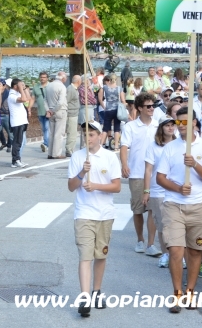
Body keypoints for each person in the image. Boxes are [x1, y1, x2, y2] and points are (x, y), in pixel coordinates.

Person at [156, 107, 202, 313]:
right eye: (178, 122)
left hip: (200, 204)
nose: (181, 126)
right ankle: (177, 294)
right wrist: (178, 188)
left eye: (185, 122)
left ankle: (190, 292)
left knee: (195, 250)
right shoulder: (170, 148)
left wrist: (195, 164)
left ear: (193, 123)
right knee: (175, 250)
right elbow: (160, 178)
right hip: (174, 204)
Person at [68, 120, 122, 318]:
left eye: (91, 134)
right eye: (85, 134)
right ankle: (84, 297)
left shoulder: (109, 157)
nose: (87, 138)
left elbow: (117, 186)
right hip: (84, 214)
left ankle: (96, 291)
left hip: (105, 214)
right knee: (85, 255)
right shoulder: (77, 157)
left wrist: (96, 186)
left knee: (101, 255)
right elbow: (71, 186)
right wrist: (82, 172)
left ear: (100, 136)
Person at [120, 92, 158, 255]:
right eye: (148, 106)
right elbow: (124, 146)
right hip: (136, 173)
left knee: (152, 209)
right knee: (138, 209)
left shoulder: (158, 125)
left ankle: (150, 244)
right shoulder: (130, 127)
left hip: (155, 174)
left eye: (153, 106)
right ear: (140, 108)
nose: (151, 109)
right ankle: (140, 240)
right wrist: (124, 164)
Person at [143, 116, 176, 268]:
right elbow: (148, 170)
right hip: (158, 191)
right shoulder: (153, 146)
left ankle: (177, 255)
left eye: (172, 125)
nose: (170, 128)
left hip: (175, 190)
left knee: (175, 225)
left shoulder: (179, 144)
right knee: (162, 226)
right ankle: (165, 254)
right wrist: (146, 190)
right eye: (167, 125)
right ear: (161, 127)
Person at [8, 78, 31, 168]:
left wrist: (24, 88)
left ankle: (18, 159)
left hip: (22, 121)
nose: (21, 86)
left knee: (20, 141)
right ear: (15, 86)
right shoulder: (12, 95)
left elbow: (28, 98)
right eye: (19, 85)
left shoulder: (17, 93)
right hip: (17, 122)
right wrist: (21, 88)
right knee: (17, 142)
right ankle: (15, 160)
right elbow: (24, 99)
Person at [98, 73, 125, 150]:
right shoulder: (119, 88)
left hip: (108, 109)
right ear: (116, 80)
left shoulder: (104, 87)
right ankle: (116, 145)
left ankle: (101, 144)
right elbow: (123, 100)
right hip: (117, 110)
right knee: (117, 128)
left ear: (108, 79)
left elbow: (100, 99)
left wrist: (104, 106)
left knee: (105, 128)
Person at [46, 71, 68, 159]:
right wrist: (54, 110)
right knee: (59, 133)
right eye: (65, 78)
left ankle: (50, 153)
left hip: (51, 110)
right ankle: (56, 153)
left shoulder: (49, 85)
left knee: (51, 133)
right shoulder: (62, 87)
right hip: (60, 111)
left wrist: (48, 110)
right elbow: (60, 102)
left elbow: (45, 100)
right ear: (62, 78)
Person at [30, 71, 50, 153]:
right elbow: (33, 98)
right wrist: (29, 108)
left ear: (47, 78)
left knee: (47, 127)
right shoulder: (36, 87)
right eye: (41, 77)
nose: (42, 79)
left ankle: (46, 144)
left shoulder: (50, 86)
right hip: (40, 111)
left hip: (49, 111)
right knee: (44, 128)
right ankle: (47, 143)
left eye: (44, 77)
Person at [78, 75, 97, 149]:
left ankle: (86, 144)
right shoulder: (83, 89)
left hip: (89, 108)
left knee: (88, 127)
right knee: (85, 127)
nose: (90, 81)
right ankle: (84, 145)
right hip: (86, 108)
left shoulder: (87, 88)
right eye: (88, 80)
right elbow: (93, 100)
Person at [66, 75, 81, 157]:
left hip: (74, 113)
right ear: (78, 81)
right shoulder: (71, 89)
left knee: (73, 133)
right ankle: (69, 149)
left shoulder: (74, 89)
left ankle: (71, 149)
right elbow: (66, 101)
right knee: (71, 133)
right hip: (71, 114)